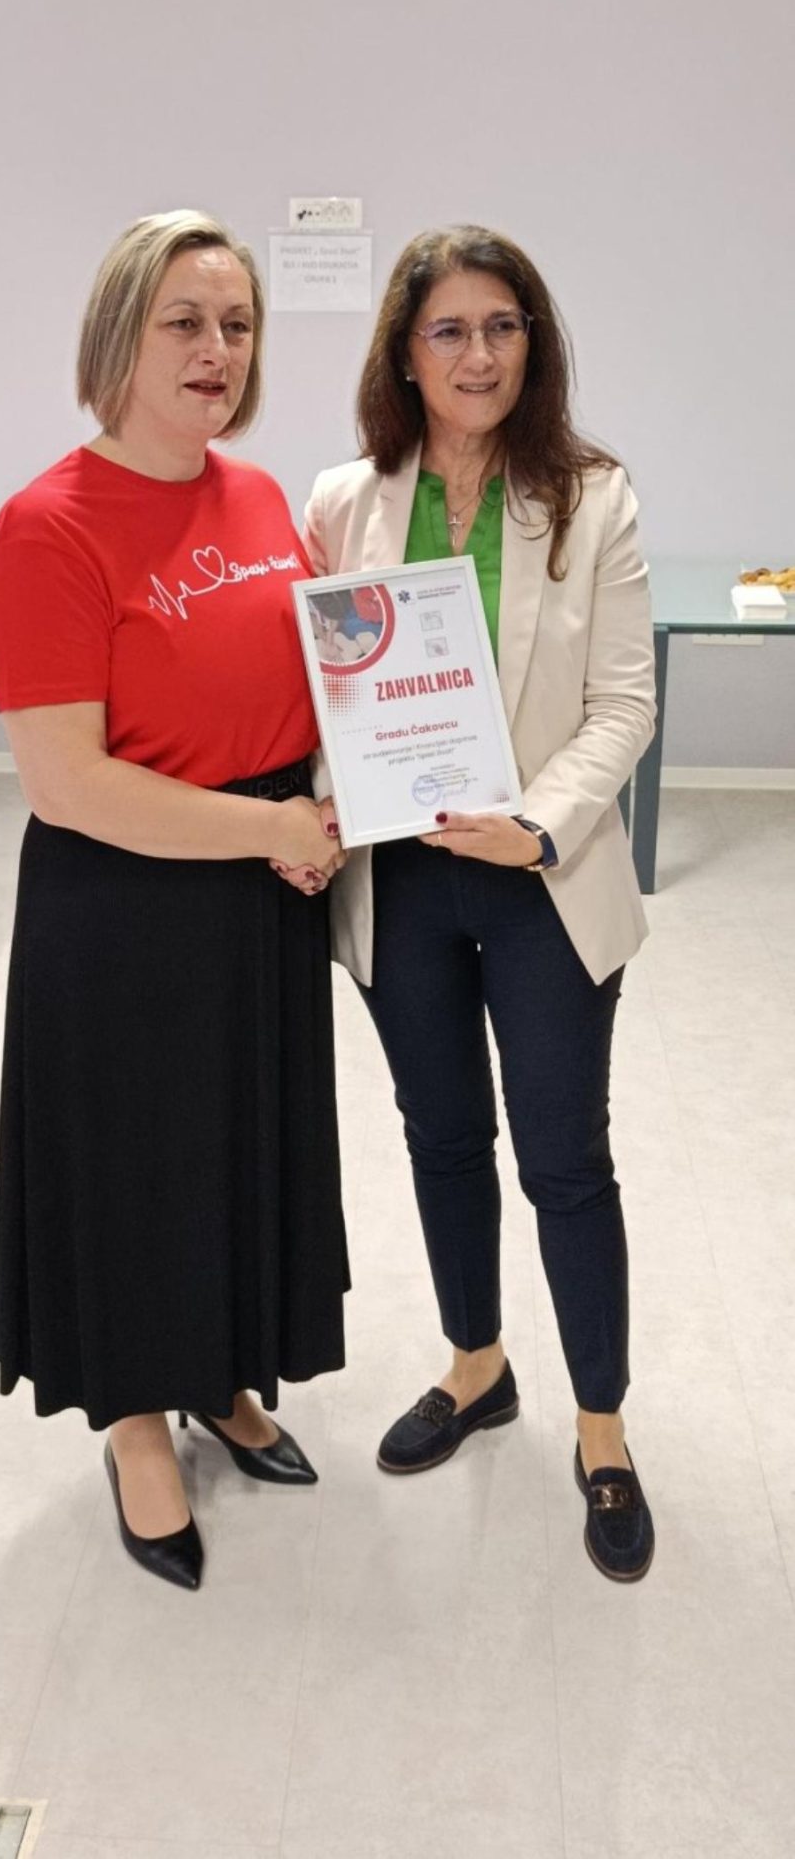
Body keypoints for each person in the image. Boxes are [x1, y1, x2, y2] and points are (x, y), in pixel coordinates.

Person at [0, 210, 348, 1592]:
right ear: (119, 337)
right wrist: (269, 829)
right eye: (183, 322)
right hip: (125, 905)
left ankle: (222, 1375)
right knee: (136, 1164)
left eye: (237, 325)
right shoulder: (47, 526)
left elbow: (306, 686)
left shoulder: (259, 498)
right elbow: (68, 782)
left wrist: (327, 808)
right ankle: (137, 1418)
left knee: (237, 1146)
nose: (216, 350)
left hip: (261, 893)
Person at [302, 225, 657, 1582]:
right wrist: (329, 800)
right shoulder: (346, 498)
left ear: (534, 342)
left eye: (503, 326)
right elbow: (325, 696)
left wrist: (537, 824)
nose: (479, 354)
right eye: (448, 329)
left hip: (541, 881)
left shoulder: (594, 496)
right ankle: (477, 1365)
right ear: (405, 350)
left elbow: (623, 703)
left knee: (564, 1159)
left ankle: (602, 1426)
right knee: (442, 1137)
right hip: (404, 883)